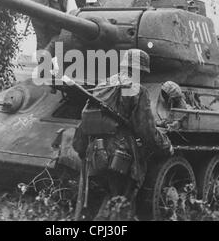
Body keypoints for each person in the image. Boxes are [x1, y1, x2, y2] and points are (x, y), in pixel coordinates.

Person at [73, 49, 173, 220]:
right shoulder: (135, 89)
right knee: (121, 205)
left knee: (101, 202)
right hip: (120, 157)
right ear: (140, 70)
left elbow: (86, 120)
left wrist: (82, 149)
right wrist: (166, 145)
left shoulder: (103, 85)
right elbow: (145, 129)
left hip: (95, 153)